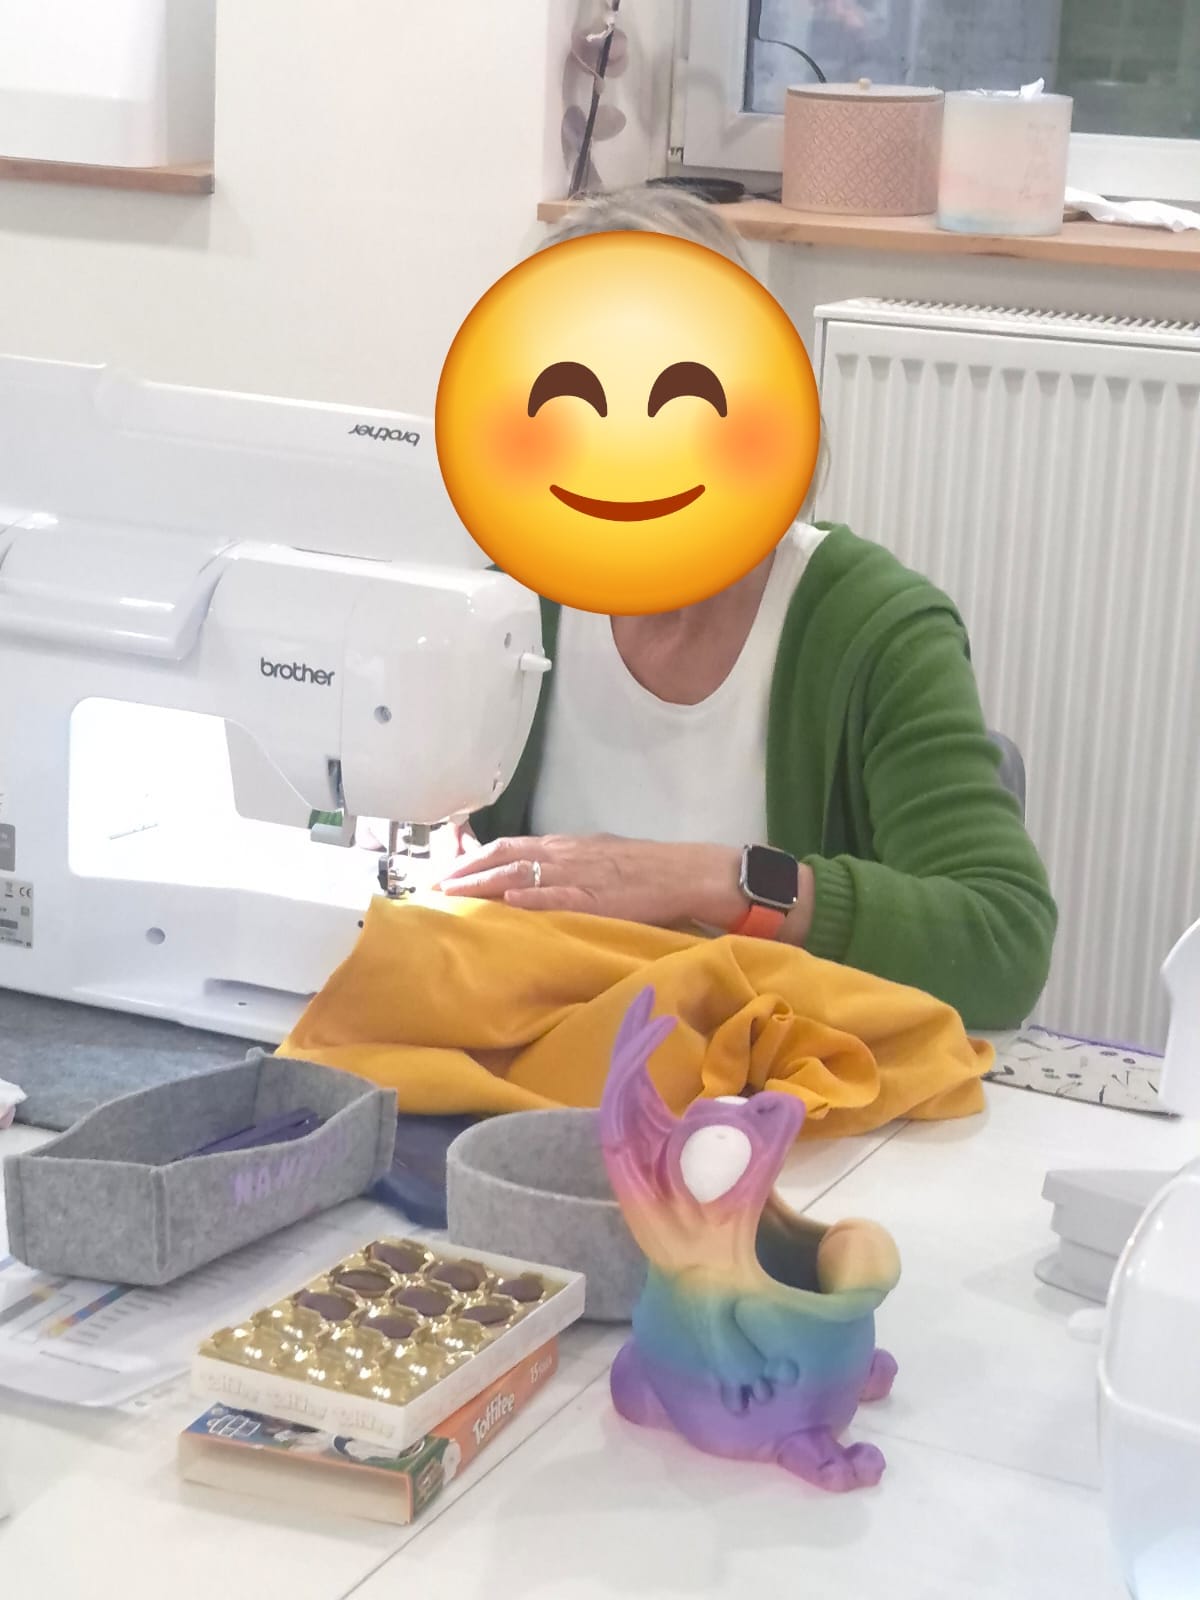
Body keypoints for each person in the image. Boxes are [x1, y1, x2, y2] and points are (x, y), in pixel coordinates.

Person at [433, 186, 1057, 1031]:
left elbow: (1001, 942)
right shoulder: (513, 603)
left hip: (771, 1087)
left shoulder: (876, 630)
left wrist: (711, 880)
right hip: (550, 1057)